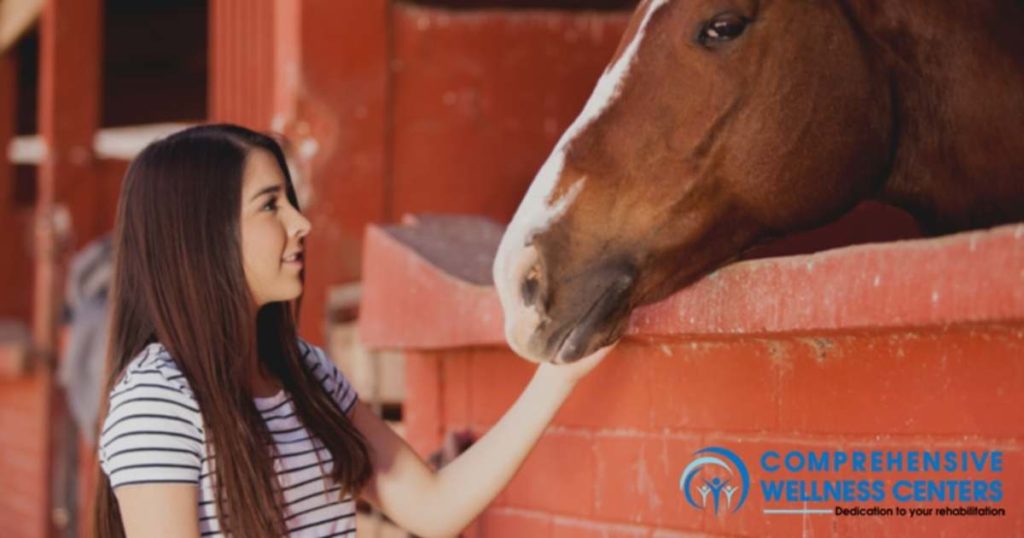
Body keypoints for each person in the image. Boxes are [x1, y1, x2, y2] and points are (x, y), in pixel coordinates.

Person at [94, 124, 612, 537]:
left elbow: (434, 507)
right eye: (270, 205)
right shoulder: (158, 400)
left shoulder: (306, 373)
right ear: (203, 235)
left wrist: (558, 375)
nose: (301, 224)